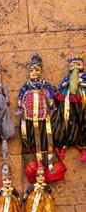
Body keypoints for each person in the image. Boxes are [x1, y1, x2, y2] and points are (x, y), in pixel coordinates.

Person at [17, 53, 66, 182]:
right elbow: (21, 92)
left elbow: (49, 89)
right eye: (32, 70)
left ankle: (48, 163)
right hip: (29, 108)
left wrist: (50, 101)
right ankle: (35, 162)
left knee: (45, 135)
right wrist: (19, 102)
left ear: (41, 71)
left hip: (41, 109)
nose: (34, 72)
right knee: (30, 134)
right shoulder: (28, 83)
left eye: (37, 70)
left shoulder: (43, 82)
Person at [52, 51, 86, 163]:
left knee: (82, 122)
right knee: (64, 121)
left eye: (78, 64)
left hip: (82, 99)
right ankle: (62, 145)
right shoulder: (68, 77)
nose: (75, 67)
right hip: (67, 100)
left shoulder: (84, 76)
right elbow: (62, 85)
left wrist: (82, 83)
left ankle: (83, 146)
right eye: (73, 65)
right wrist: (66, 84)